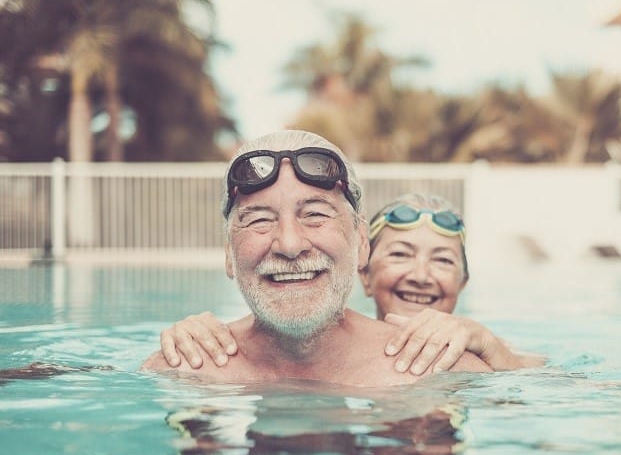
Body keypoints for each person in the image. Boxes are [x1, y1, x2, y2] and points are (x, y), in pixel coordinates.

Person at [142, 130, 493, 386]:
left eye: (315, 215)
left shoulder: (443, 370)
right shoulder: (182, 371)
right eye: (260, 220)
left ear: (361, 243)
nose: (290, 244)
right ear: (229, 256)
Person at [156, 195, 541, 373]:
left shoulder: (483, 355)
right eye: (400, 255)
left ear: (464, 282)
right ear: (364, 273)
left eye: (442, 260)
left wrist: (492, 350)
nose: (420, 275)